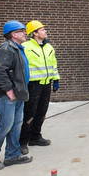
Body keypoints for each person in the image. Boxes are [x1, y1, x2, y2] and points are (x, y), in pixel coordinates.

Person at [0, 20, 33, 170]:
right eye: (22, 31)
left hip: (18, 94)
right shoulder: (7, 49)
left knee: (16, 125)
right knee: (5, 126)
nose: (25, 33)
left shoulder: (17, 48)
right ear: (13, 34)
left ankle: (12, 155)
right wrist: (9, 91)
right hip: (8, 96)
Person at [19, 20, 60, 155]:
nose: (45, 31)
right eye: (42, 30)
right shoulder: (25, 46)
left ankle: (35, 137)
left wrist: (56, 80)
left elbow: (54, 65)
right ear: (34, 33)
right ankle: (23, 142)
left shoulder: (49, 47)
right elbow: (11, 52)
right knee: (29, 113)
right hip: (33, 85)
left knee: (42, 112)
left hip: (46, 84)